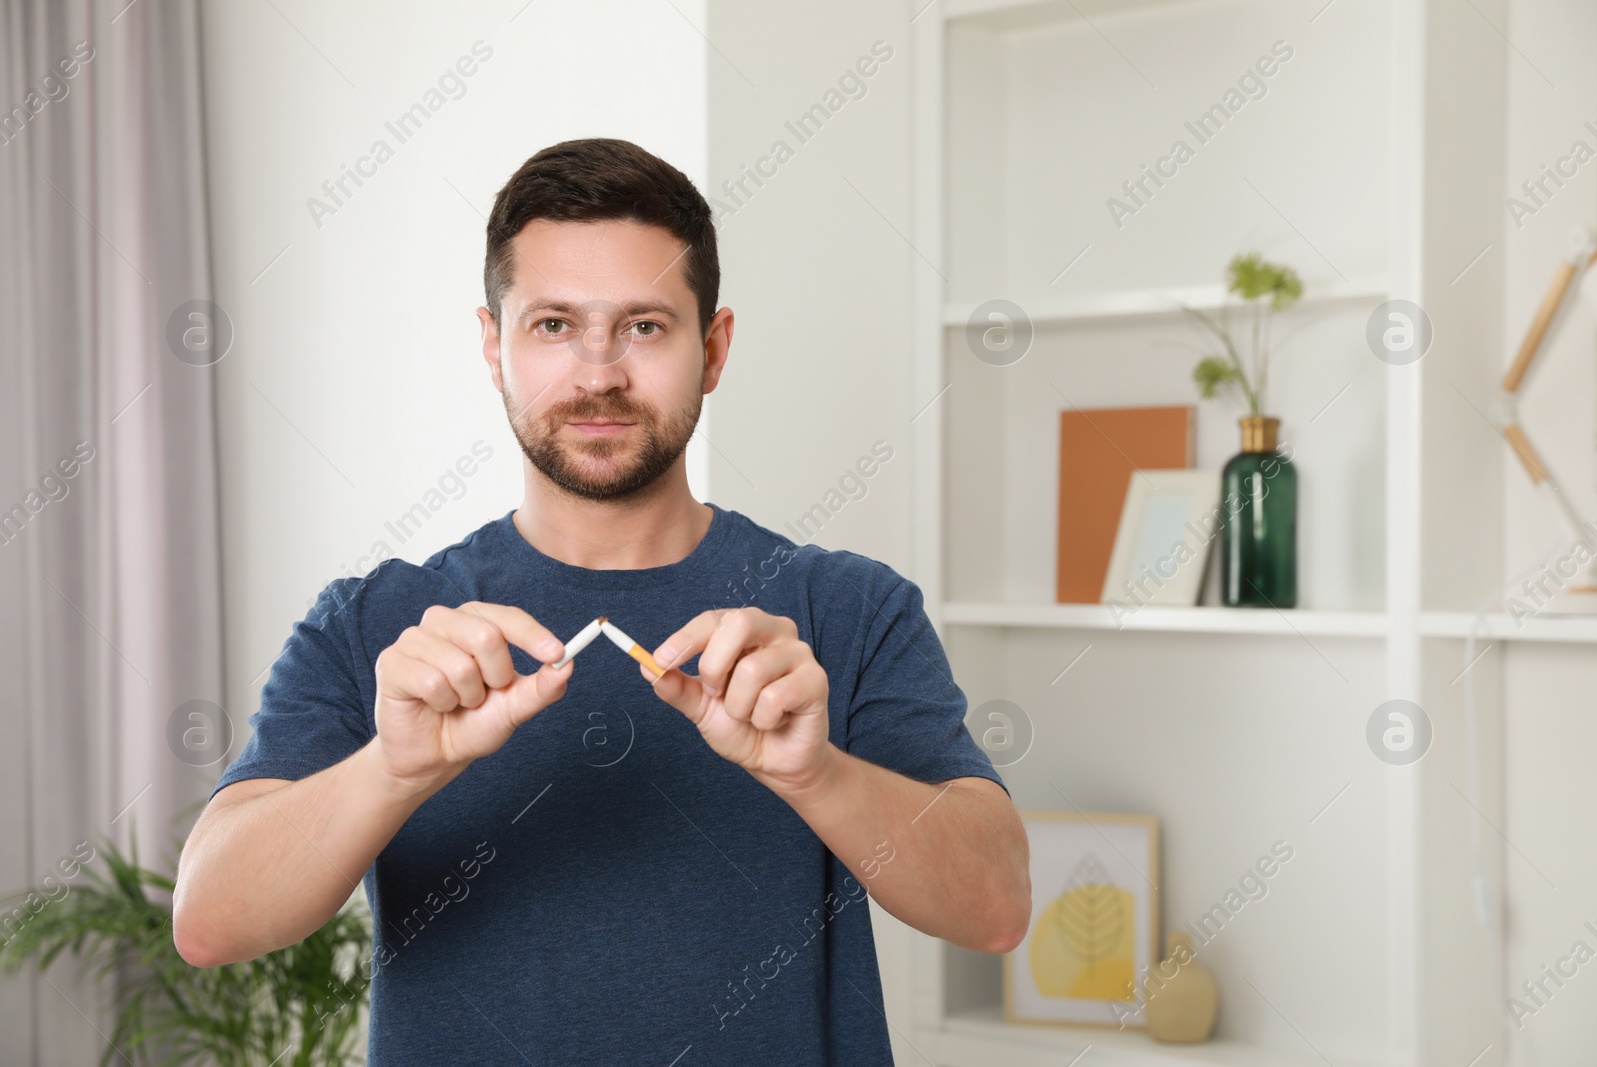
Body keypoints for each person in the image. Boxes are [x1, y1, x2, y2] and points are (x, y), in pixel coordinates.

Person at [172, 137, 1030, 1065]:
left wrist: (817, 774)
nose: (597, 374)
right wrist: (395, 769)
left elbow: (995, 906)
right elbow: (210, 922)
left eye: (644, 327)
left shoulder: (845, 610)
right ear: (494, 347)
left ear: (714, 347)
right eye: (552, 326)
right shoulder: (380, 626)